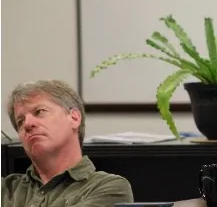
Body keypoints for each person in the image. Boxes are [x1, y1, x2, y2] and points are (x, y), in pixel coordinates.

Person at [1, 80, 134, 206]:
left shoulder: (109, 188)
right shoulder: (6, 190)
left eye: (39, 112)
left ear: (74, 118)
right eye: (20, 121)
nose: (28, 124)